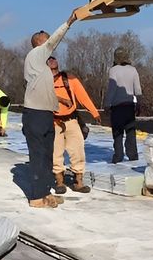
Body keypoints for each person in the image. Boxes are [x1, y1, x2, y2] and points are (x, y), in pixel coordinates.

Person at [22, 12, 78, 208]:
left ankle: (45, 193)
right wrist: (69, 22)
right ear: (38, 43)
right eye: (45, 39)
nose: (49, 45)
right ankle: (37, 198)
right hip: (35, 114)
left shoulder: (42, 66)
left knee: (47, 156)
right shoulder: (36, 54)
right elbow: (53, 41)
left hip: (45, 114)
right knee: (38, 156)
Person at [48, 56, 101, 194]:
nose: (52, 60)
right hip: (54, 121)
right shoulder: (43, 81)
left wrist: (94, 112)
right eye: (49, 60)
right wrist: (61, 99)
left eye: (54, 58)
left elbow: (82, 96)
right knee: (56, 152)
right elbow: (40, 97)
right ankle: (59, 182)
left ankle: (78, 182)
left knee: (77, 151)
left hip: (71, 120)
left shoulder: (69, 79)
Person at [105, 46, 142, 163]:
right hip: (129, 106)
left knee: (118, 133)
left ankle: (118, 156)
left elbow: (112, 89)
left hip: (117, 107)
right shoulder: (133, 70)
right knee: (130, 133)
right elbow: (138, 89)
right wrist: (139, 103)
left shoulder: (113, 70)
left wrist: (107, 104)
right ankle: (133, 156)